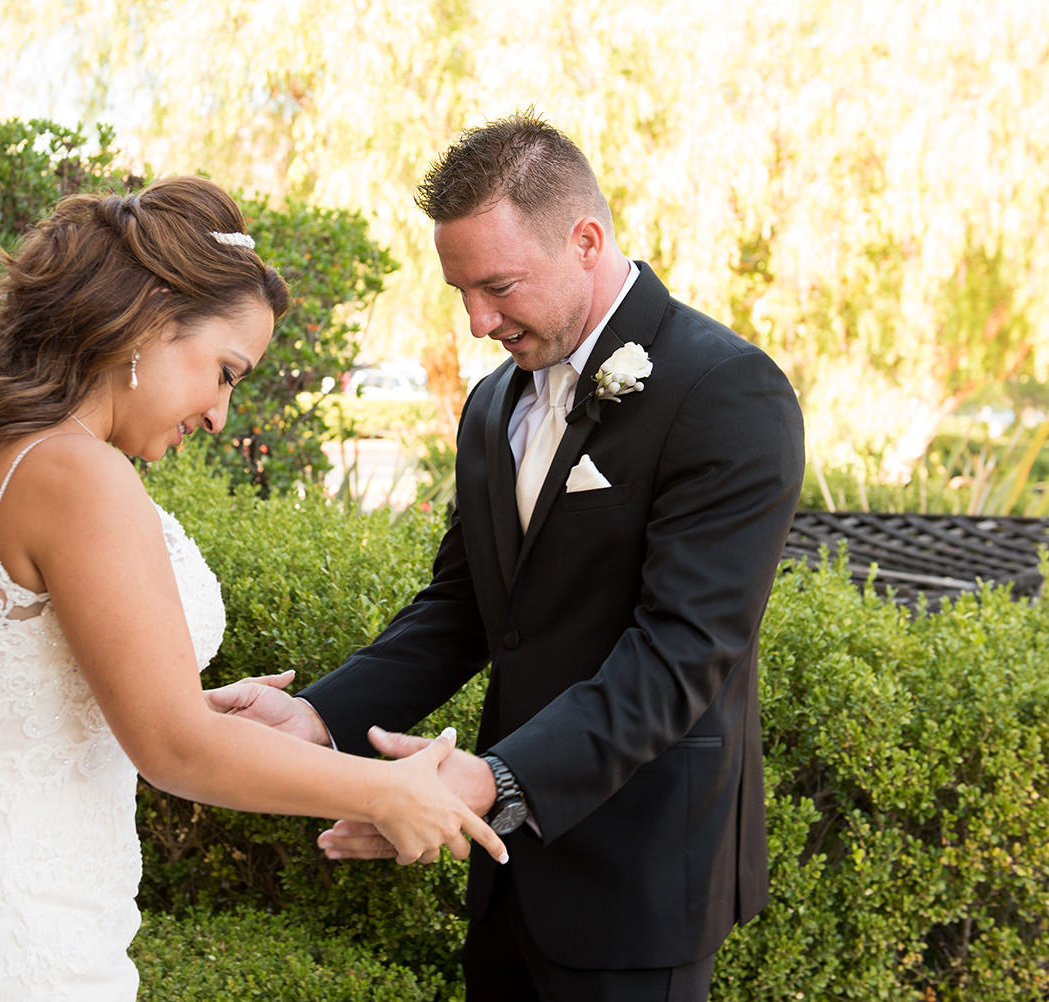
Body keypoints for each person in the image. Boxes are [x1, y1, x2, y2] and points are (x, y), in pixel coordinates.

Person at [0, 176, 504, 1002]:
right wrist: (385, 787)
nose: (222, 414)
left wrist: (163, 701)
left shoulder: (9, 449)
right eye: (225, 372)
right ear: (150, 323)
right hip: (7, 916)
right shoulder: (81, 474)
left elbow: (44, 689)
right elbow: (174, 750)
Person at [210, 111, 805, 1000]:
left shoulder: (725, 391)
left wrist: (492, 782)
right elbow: (465, 606)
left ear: (586, 240)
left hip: (639, 876)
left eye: (500, 286)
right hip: (507, 878)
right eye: (461, 292)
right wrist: (320, 720)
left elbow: (682, 652)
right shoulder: (493, 404)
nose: (479, 321)